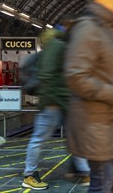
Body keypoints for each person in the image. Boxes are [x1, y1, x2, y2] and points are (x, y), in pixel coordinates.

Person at [64, 0, 113, 192]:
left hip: (112, 121)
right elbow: (76, 75)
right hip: (97, 122)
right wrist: (112, 92)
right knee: (103, 181)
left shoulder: (109, 28)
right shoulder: (88, 28)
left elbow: (107, 67)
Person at [22, 15, 90, 190]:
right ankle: (29, 175)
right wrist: (57, 100)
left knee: (74, 137)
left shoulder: (58, 47)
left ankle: (85, 172)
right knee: (39, 139)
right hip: (53, 104)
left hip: (60, 103)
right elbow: (49, 76)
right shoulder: (57, 47)